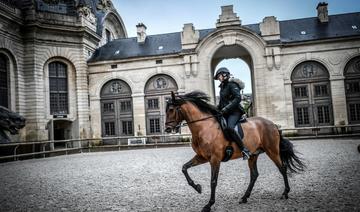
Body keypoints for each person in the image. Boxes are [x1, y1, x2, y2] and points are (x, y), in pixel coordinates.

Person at [214, 67, 250, 160]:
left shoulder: (232, 84)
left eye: (219, 76)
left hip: (235, 111)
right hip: (226, 112)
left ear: (225, 75)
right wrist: (215, 110)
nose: (219, 78)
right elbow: (222, 102)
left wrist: (226, 108)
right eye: (218, 77)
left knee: (230, 127)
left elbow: (237, 98)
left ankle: (244, 149)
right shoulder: (222, 86)